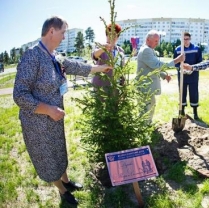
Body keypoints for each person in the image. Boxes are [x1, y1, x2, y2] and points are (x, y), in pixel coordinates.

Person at [13, 16, 113, 205]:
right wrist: (49, 109)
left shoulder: (54, 56)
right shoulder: (32, 56)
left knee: (59, 149)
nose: (64, 36)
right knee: (48, 157)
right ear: (51, 31)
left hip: (54, 118)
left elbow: (76, 66)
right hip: (38, 123)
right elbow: (20, 95)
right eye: (63, 32)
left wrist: (100, 68)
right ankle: (61, 190)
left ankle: (66, 181)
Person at [136, 30, 185, 122]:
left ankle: (147, 127)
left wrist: (163, 75)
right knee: (145, 111)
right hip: (145, 88)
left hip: (147, 88)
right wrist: (176, 60)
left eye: (158, 41)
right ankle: (144, 130)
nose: (157, 43)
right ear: (148, 40)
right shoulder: (146, 50)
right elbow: (157, 65)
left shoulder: (149, 50)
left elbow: (151, 67)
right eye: (155, 41)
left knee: (150, 107)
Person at [173, 32, 202, 119]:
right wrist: (181, 69)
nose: (185, 41)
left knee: (194, 93)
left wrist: (192, 68)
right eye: (184, 39)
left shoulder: (196, 49)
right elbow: (175, 62)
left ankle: (195, 112)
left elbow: (200, 62)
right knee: (182, 92)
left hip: (193, 75)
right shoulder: (178, 49)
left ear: (190, 39)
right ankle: (182, 111)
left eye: (187, 39)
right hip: (182, 76)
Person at [91, 23, 125, 91]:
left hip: (115, 85)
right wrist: (103, 48)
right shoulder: (100, 46)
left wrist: (123, 83)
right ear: (106, 35)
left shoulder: (120, 50)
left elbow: (122, 68)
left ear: (118, 37)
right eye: (110, 34)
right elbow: (94, 55)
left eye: (115, 35)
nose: (112, 37)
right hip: (101, 85)